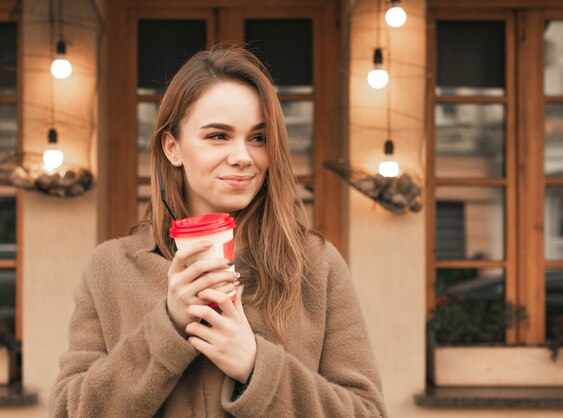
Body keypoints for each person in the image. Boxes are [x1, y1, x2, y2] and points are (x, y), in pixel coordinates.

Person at [49, 44, 387, 417]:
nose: (243, 156)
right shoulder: (110, 269)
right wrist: (169, 327)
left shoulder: (315, 266)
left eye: (258, 137)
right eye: (218, 136)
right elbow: (69, 411)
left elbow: (367, 411)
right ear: (173, 148)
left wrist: (257, 368)